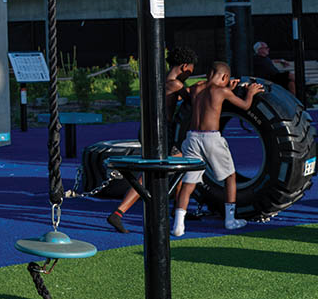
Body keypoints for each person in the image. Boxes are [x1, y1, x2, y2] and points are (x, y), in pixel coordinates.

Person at [106, 46, 196, 234]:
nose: (190, 74)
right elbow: (195, 99)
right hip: (162, 132)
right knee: (151, 173)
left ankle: (177, 209)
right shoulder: (176, 85)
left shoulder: (158, 79)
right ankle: (119, 212)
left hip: (147, 128)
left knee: (178, 164)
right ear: (185, 66)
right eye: (190, 70)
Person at [172, 61, 263, 236]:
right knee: (230, 176)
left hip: (192, 137)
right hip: (211, 138)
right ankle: (230, 220)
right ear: (225, 77)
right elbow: (245, 106)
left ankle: (178, 225)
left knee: (189, 183)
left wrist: (227, 87)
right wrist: (250, 93)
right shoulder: (222, 91)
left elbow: (205, 99)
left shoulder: (197, 87)